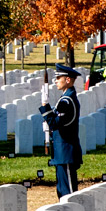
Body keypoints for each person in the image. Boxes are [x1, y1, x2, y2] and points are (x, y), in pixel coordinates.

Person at [40, 64, 83, 198]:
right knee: (62, 192)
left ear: (68, 80)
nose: (56, 80)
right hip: (62, 153)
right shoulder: (65, 98)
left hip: (66, 152)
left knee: (68, 194)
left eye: (59, 78)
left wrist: (45, 106)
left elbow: (54, 123)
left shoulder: (67, 101)